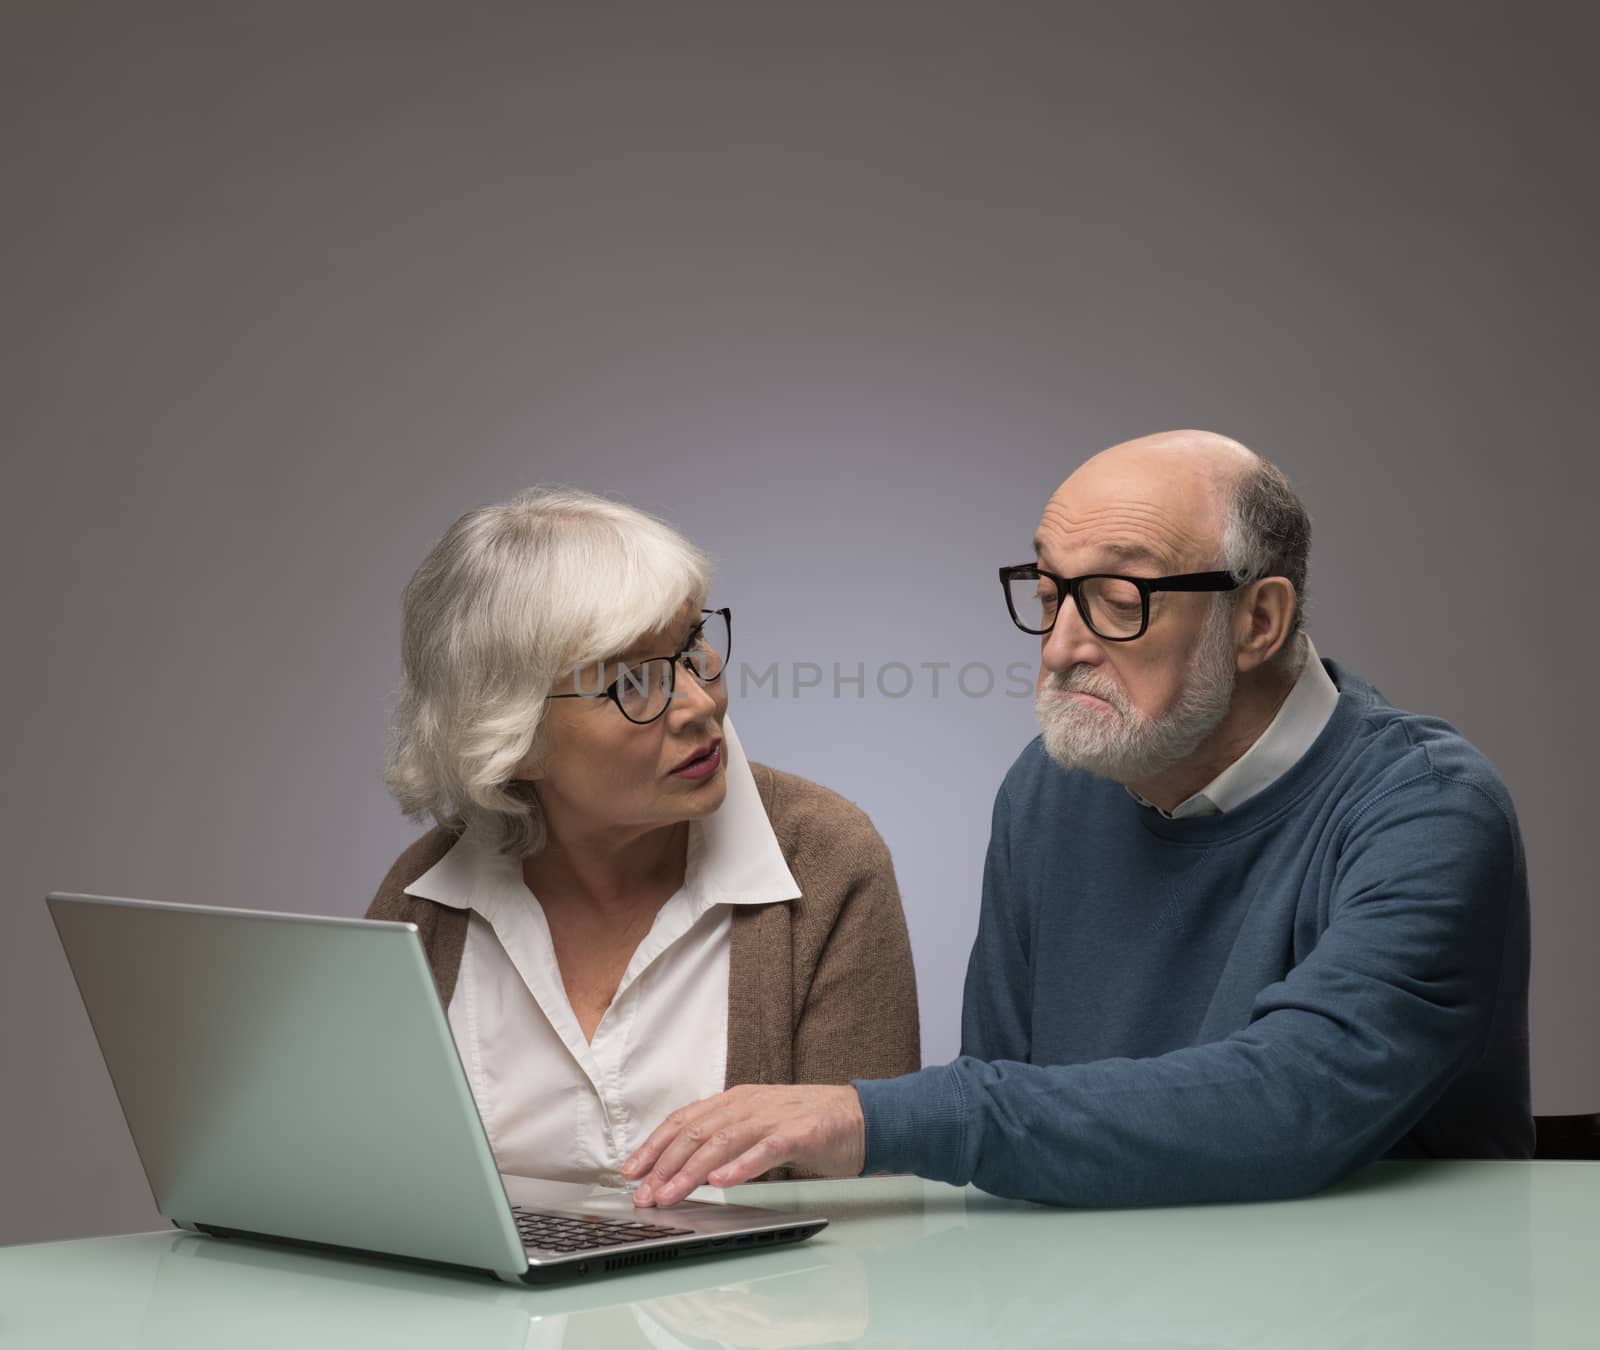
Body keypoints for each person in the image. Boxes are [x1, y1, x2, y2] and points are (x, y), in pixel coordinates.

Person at [624, 430, 1532, 1208]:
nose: (1060, 647)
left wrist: (873, 1119)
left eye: (1119, 599)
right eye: (1052, 592)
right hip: (1102, 1302)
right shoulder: (1053, 787)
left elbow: (1298, 1100)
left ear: (1259, 619)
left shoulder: (1427, 809)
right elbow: (1018, 1130)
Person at [367, 486, 919, 1186]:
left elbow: (863, 1219)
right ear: (511, 737)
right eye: (630, 681)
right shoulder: (423, 903)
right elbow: (373, 1184)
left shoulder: (829, 863)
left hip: (762, 1299)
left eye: (692, 647)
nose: (698, 704)